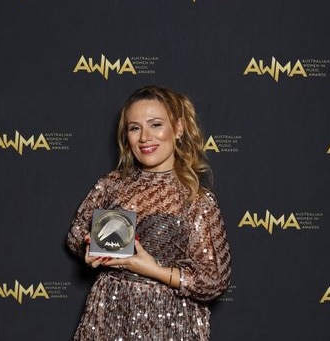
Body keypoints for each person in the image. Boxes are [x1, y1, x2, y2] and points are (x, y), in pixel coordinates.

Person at [66, 85, 231, 340]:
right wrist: (89, 248)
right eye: (134, 128)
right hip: (108, 314)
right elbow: (77, 235)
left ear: (178, 128)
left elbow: (214, 281)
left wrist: (154, 270)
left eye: (155, 125)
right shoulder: (112, 184)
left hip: (168, 321)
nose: (144, 137)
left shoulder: (196, 199)